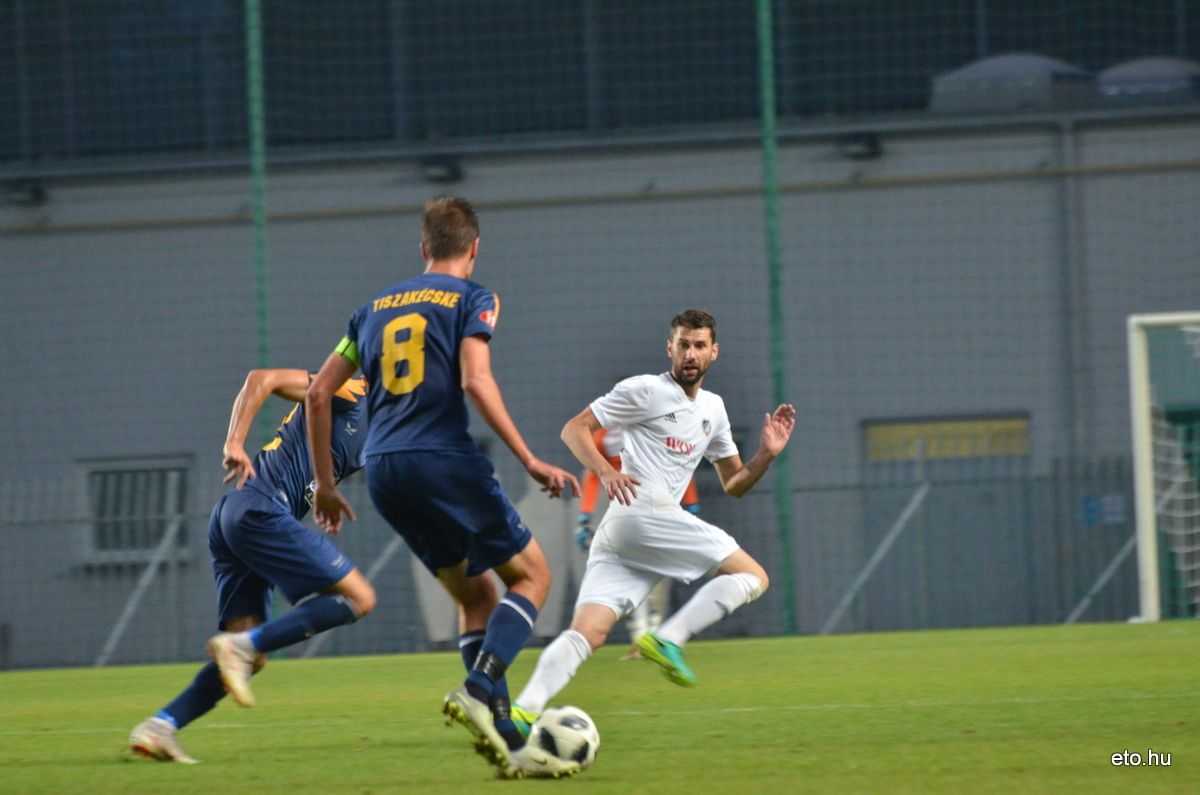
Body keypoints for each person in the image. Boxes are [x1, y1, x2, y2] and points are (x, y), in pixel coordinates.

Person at [305, 197, 582, 779]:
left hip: (384, 471)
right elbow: (476, 379)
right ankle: (479, 687)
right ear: (474, 249)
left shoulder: (371, 310)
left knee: (476, 597)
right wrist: (529, 458)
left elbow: (316, 395)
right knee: (533, 576)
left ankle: (509, 742)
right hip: (444, 461)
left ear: (423, 247)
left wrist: (326, 486)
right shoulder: (473, 298)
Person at [514, 309, 794, 719]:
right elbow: (574, 429)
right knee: (753, 576)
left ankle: (525, 709)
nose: (690, 354)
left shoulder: (714, 410)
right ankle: (669, 638)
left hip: (625, 532)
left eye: (699, 345)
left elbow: (735, 484)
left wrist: (766, 456)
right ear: (670, 348)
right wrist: (606, 472)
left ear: (714, 352)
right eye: (683, 344)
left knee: (589, 632)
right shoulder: (645, 390)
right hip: (641, 512)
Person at [129, 369, 377, 764]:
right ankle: (239, 647)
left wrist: (322, 493)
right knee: (359, 597)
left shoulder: (381, 423)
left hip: (238, 515)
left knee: (249, 660)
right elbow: (262, 378)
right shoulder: (351, 387)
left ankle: (161, 726)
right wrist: (234, 441)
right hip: (259, 509)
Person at [575, 424, 702, 653]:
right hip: (622, 509)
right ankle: (640, 637)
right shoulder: (604, 435)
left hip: (660, 506)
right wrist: (585, 516)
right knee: (630, 571)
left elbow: (681, 462)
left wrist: (691, 506)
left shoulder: (658, 424)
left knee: (657, 574)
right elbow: (594, 473)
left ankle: (650, 636)